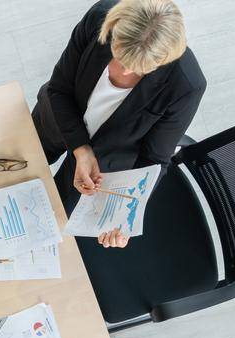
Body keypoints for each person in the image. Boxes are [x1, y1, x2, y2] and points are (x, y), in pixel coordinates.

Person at [33, 0, 203, 249]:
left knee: (47, 222)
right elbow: (59, 87)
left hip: (104, 167)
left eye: (138, 69)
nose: (122, 73)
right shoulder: (100, 18)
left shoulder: (186, 84)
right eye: (119, 55)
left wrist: (126, 216)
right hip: (58, 118)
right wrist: (81, 149)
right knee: (10, 171)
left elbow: (154, 158)